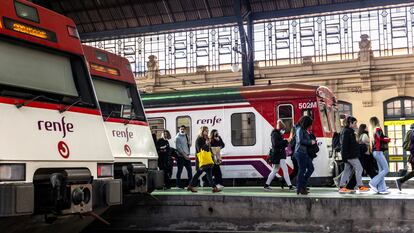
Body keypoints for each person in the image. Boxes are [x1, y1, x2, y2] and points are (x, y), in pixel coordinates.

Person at [337, 116, 370, 193]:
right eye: (355, 123)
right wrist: (344, 156)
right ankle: (360, 186)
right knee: (359, 168)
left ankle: (342, 187)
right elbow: (344, 145)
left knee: (347, 170)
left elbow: (349, 144)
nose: (356, 125)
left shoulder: (348, 131)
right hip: (350, 155)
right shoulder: (347, 132)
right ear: (350, 123)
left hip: (349, 155)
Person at [187, 126, 221, 193]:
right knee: (199, 174)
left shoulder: (207, 139)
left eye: (208, 130)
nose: (207, 132)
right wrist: (206, 144)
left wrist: (213, 155)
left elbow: (208, 149)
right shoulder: (199, 139)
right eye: (206, 131)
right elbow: (199, 149)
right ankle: (190, 186)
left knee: (208, 175)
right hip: (202, 160)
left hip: (208, 159)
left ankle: (214, 188)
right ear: (202, 131)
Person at [264, 120, 295, 191]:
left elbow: (278, 143)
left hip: (278, 154)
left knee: (275, 170)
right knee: (285, 170)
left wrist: (286, 141)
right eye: (283, 129)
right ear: (280, 129)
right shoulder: (275, 134)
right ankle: (290, 186)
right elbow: (276, 144)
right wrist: (286, 141)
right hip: (279, 155)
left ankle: (266, 185)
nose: (283, 131)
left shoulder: (276, 134)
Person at [345, 124, 378, 190]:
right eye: (366, 127)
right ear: (364, 128)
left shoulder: (359, 134)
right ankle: (378, 185)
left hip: (362, 155)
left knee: (369, 171)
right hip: (366, 155)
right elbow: (366, 142)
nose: (368, 128)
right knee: (370, 171)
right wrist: (371, 141)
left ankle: (350, 186)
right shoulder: (365, 135)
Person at [369, 116, 391, 194]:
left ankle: (382, 189)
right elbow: (381, 138)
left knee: (381, 170)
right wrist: (388, 139)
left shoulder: (372, 130)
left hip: (376, 152)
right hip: (378, 152)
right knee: (386, 169)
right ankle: (373, 182)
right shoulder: (378, 129)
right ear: (377, 121)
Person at [295, 115, 315, 195]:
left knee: (311, 169)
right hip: (300, 152)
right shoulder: (299, 129)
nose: (310, 126)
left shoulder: (304, 129)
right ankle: (300, 187)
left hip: (305, 152)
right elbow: (300, 141)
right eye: (309, 124)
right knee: (302, 170)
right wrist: (310, 142)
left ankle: (302, 185)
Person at [396, 124, 414, 191]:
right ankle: (400, 180)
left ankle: (400, 181)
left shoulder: (409, 132)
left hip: (412, 156)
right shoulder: (412, 133)